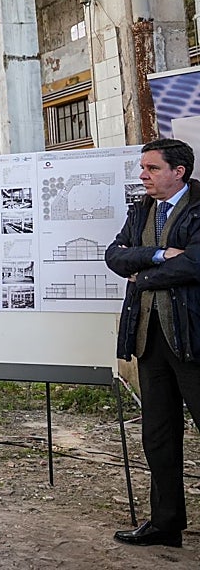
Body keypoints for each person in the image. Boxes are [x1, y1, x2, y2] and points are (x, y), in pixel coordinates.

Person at [106, 137, 200, 549]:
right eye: (143, 168)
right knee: (158, 435)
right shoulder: (141, 209)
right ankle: (166, 524)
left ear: (179, 172)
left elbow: (196, 262)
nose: (143, 175)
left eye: (152, 168)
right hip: (149, 338)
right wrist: (160, 256)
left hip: (193, 338)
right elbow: (114, 256)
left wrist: (142, 275)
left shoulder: (198, 207)